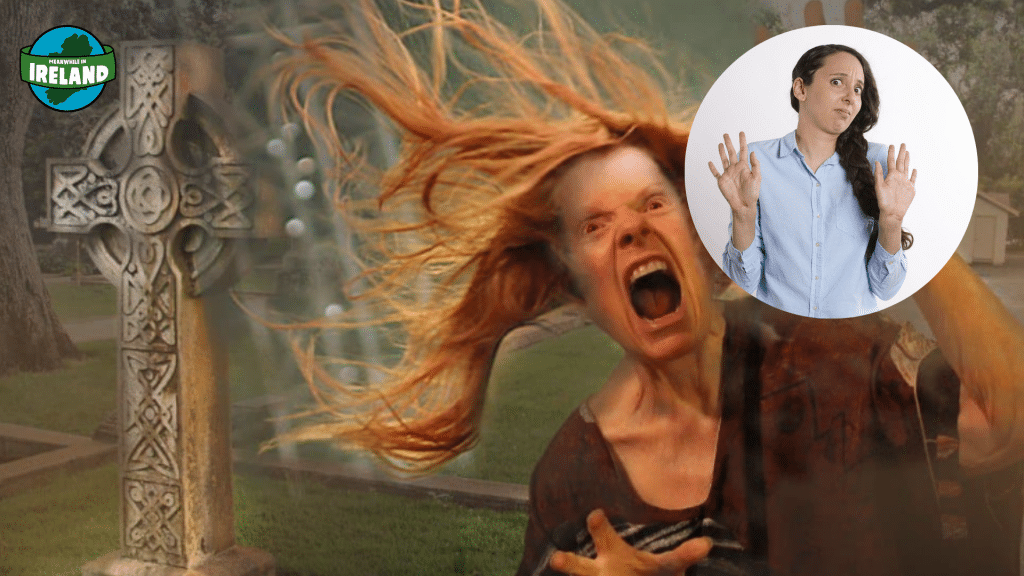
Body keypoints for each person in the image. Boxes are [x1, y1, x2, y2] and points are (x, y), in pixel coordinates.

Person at [266, 2, 1024, 575]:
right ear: (579, 290)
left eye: (653, 204)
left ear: (700, 240)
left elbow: (1009, 417)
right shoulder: (575, 479)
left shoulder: (828, 356)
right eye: (595, 228)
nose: (629, 232)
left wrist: (891, 216)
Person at [711, 45, 915, 318]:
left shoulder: (879, 165)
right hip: (779, 341)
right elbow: (743, 283)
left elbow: (886, 289)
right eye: (836, 82)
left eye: (857, 89)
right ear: (800, 89)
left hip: (853, 344)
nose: (850, 98)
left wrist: (892, 222)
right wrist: (742, 215)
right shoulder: (754, 164)